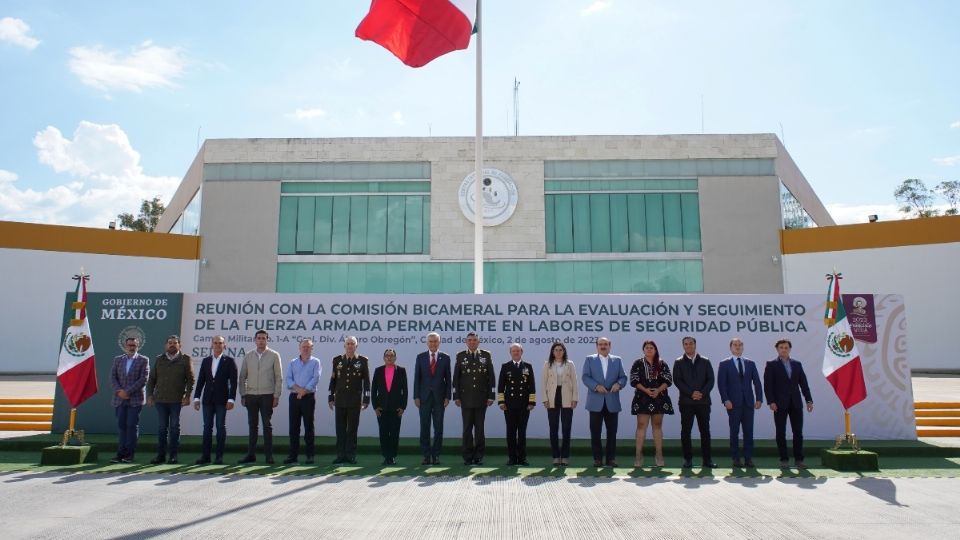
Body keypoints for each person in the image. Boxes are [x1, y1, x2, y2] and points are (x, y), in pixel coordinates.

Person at [764, 338, 814, 468]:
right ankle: (784, 459)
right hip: (779, 404)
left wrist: (808, 400)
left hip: (796, 403)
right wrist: (771, 402)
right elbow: (768, 386)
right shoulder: (771, 364)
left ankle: (799, 460)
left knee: (798, 432)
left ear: (789, 349)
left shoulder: (797, 364)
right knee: (780, 432)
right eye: (781, 347)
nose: (784, 350)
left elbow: (804, 384)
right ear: (777, 349)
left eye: (786, 347)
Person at [146, 335, 195, 465]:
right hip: (160, 400)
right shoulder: (159, 359)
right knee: (162, 428)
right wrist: (150, 395)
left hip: (176, 400)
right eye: (170, 343)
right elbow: (152, 379)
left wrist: (187, 396)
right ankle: (160, 456)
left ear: (180, 345)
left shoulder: (185, 359)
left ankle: (173, 456)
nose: (172, 345)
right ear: (166, 345)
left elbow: (190, 380)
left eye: (175, 343)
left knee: (174, 427)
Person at [238, 329, 283, 465]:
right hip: (251, 395)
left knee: (267, 426)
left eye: (264, 338)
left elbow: (278, 377)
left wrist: (276, 395)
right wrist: (243, 394)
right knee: (252, 426)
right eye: (259, 338)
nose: (261, 340)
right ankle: (251, 455)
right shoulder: (248, 355)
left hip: (267, 395)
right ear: (255, 340)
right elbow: (242, 377)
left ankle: (269, 456)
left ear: (267, 340)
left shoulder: (274, 355)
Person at [717, 337, 763, 468]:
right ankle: (736, 458)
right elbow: (722, 384)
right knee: (734, 431)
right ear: (731, 348)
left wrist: (759, 398)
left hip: (748, 403)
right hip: (733, 403)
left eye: (740, 345)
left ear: (743, 347)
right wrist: (725, 400)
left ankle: (748, 458)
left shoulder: (750, 363)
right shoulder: (724, 363)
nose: (738, 347)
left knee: (749, 432)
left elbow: (757, 382)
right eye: (735, 345)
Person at [582, 337, 627, 467]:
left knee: (612, 433)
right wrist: (596, 386)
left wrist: (619, 384)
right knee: (595, 432)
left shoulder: (617, 360)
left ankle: (611, 459)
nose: (603, 346)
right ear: (596, 346)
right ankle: (597, 459)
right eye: (600, 344)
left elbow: (623, 377)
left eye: (605, 344)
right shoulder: (590, 359)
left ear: (610, 346)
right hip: (595, 401)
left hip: (612, 401)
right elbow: (585, 377)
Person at [672, 336, 716, 469]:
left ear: (695, 345)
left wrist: (701, 393)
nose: (688, 346)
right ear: (683, 346)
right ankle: (688, 460)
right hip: (686, 403)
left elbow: (711, 380)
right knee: (686, 432)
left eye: (691, 343)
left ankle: (707, 460)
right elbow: (677, 381)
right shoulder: (678, 362)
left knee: (705, 431)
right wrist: (691, 393)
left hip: (703, 402)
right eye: (686, 344)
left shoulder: (705, 361)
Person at [192, 335, 237, 465]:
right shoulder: (206, 361)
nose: (217, 345)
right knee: (207, 428)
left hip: (222, 400)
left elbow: (233, 383)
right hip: (207, 400)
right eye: (215, 343)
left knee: (220, 427)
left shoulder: (229, 361)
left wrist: (231, 399)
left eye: (220, 343)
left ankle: (219, 457)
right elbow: (201, 381)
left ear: (224, 345)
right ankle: (205, 456)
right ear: (212, 345)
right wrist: (196, 398)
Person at [452, 332, 496, 466]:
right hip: (465, 399)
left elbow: (491, 377)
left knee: (479, 429)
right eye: (470, 340)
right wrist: (456, 396)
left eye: (474, 340)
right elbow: (456, 378)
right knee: (466, 429)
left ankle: (478, 456)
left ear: (478, 342)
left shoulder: (486, 355)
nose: (472, 342)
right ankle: (467, 456)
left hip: (482, 398)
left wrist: (491, 395)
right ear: (466, 342)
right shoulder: (460, 356)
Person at [630, 340, 674, 468]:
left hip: (659, 398)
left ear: (655, 349)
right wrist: (646, 390)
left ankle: (659, 454)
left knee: (657, 425)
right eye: (647, 347)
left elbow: (668, 380)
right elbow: (634, 380)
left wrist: (658, 390)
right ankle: (638, 455)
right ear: (643, 350)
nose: (649, 349)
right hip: (642, 398)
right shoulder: (638, 363)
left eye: (651, 347)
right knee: (641, 425)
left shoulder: (662, 363)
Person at [328, 336, 370, 464]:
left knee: (352, 429)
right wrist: (330, 397)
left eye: (352, 344)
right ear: (344, 346)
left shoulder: (362, 361)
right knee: (340, 429)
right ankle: (340, 455)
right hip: (340, 399)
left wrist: (366, 399)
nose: (350, 346)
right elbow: (333, 380)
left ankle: (351, 455)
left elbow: (367, 382)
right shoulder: (337, 360)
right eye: (348, 344)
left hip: (354, 400)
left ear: (356, 346)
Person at [109, 336, 149, 463]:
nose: (131, 347)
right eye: (129, 345)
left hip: (135, 400)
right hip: (119, 399)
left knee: (131, 426)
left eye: (134, 345)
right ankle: (120, 454)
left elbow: (144, 379)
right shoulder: (117, 360)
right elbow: (112, 377)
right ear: (125, 346)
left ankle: (129, 454)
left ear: (138, 346)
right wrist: (120, 391)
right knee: (121, 426)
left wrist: (128, 391)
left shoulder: (143, 360)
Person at [413, 332, 451, 465]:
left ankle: (436, 455)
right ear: (427, 343)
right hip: (424, 398)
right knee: (424, 427)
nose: (433, 343)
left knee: (438, 428)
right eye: (431, 341)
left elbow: (448, 379)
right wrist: (416, 396)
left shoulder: (445, 358)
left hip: (440, 398)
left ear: (439, 342)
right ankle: (426, 455)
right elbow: (417, 378)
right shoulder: (420, 357)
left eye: (435, 341)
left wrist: (447, 397)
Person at [498, 343, 536, 466]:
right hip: (509, 405)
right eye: (513, 351)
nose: (516, 353)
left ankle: (522, 458)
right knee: (510, 433)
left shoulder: (528, 367)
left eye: (518, 351)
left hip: (524, 405)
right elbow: (500, 387)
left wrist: (531, 402)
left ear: (522, 352)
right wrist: (501, 402)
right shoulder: (505, 367)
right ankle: (512, 458)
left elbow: (532, 386)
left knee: (522, 433)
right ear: (510, 353)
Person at [284, 339, 321, 465]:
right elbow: (288, 379)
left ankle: (310, 455)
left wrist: (304, 391)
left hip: (308, 397)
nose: (305, 349)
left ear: (312, 348)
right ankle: (293, 455)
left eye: (308, 347)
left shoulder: (316, 362)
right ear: (299, 348)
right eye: (303, 346)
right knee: (293, 428)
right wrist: (298, 390)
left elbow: (315, 378)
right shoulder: (293, 362)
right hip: (294, 397)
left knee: (308, 427)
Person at [541, 341, 578, 466]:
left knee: (566, 428)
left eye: (560, 350)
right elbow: (543, 382)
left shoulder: (570, 364)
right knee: (553, 428)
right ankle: (556, 456)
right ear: (552, 352)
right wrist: (544, 399)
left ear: (564, 351)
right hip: (552, 396)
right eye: (556, 350)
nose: (558, 352)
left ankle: (565, 456)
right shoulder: (547, 364)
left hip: (567, 395)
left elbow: (575, 382)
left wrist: (575, 398)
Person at [372, 348, 408, 465]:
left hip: (396, 409)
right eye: (387, 355)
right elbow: (374, 390)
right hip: (381, 409)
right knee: (383, 434)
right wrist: (375, 407)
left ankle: (392, 456)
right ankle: (385, 456)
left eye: (392, 355)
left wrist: (403, 407)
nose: (389, 357)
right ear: (384, 358)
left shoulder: (401, 371)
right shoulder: (378, 371)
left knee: (394, 434)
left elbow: (405, 390)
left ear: (395, 358)